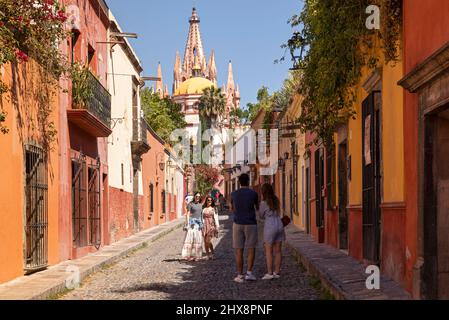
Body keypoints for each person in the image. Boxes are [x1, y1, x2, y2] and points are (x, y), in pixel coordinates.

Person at [230, 173, 259, 283]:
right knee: (251, 248)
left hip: (237, 223)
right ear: (248, 181)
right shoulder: (253, 193)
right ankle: (249, 273)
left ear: (239, 182)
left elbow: (232, 208)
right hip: (251, 223)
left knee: (238, 250)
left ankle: (239, 275)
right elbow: (257, 207)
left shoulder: (233, 194)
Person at [258, 183, 286, 280]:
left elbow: (261, 215)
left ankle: (270, 273)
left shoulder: (263, 203)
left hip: (270, 226)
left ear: (263, 192)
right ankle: (277, 272)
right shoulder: (276, 200)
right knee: (278, 250)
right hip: (279, 224)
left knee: (268, 251)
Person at [181, 192, 204, 261]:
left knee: (197, 240)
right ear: (194, 197)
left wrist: (202, 223)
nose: (197, 197)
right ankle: (188, 256)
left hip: (198, 224)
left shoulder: (200, 205)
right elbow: (187, 214)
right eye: (196, 196)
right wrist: (187, 223)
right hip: (192, 224)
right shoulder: (190, 204)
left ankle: (197, 256)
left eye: (199, 196)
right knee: (190, 239)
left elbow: (201, 215)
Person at [202, 196, 219, 260]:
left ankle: (212, 253)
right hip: (204, 225)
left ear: (212, 202)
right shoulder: (204, 209)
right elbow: (202, 218)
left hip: (211, 226)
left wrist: (217, 226)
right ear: (206, 201)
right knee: (205, 241)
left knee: (208, 240)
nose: (209, 201)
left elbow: (216, 218)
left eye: (210, 200)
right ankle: (208, 255)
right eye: (208, 200)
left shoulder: (213, 209)